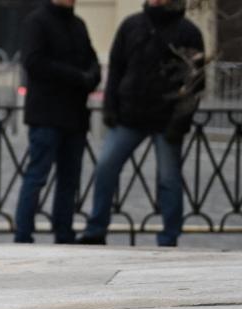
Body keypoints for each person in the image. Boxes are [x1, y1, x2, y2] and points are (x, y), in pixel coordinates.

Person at [78, 0, 205, 246]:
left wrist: (179, 123)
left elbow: (195, 83)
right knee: (105, 167)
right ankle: (96, 230)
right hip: (129, 116)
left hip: (168, 120)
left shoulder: (188, 31)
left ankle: (169, 237)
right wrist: (110, 108)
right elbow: (116, 68)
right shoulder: (131, 25)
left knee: (169, 179)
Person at [14, 0, 101, 244]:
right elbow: (34, 62)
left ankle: (64, 233)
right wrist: (78, 77)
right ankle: (23, 234)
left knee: (69, 179)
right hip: (46, 115)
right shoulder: (37, 21)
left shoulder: (78, 24)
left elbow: (91, 59)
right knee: (37, 175)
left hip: (74, 116)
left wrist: (93, 76)